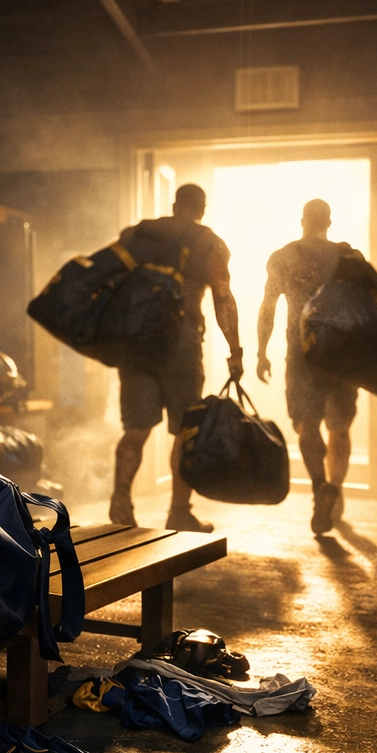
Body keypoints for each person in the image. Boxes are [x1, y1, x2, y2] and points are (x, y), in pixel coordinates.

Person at [109, 184, 243, 532]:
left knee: (135, 429)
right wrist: (235, 350)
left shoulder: (140, 235)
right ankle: (179, 512)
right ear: (201, 209)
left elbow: (110, 283)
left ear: (174, 205)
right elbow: (223, 297)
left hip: (135, 343)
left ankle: (120, 500)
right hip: (180, 345)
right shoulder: (208, 242)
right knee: (186, 431)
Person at [256, 198, 362, 536]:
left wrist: (261, 352)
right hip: (343, 353)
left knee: (307, 424)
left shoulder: (283, 257)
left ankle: (319, 489)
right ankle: (335, 489)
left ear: (302, 221)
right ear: (328, 223)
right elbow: (369, 306)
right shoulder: (348, 257)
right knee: (340, 427)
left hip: (302, 353)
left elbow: (268, 307)